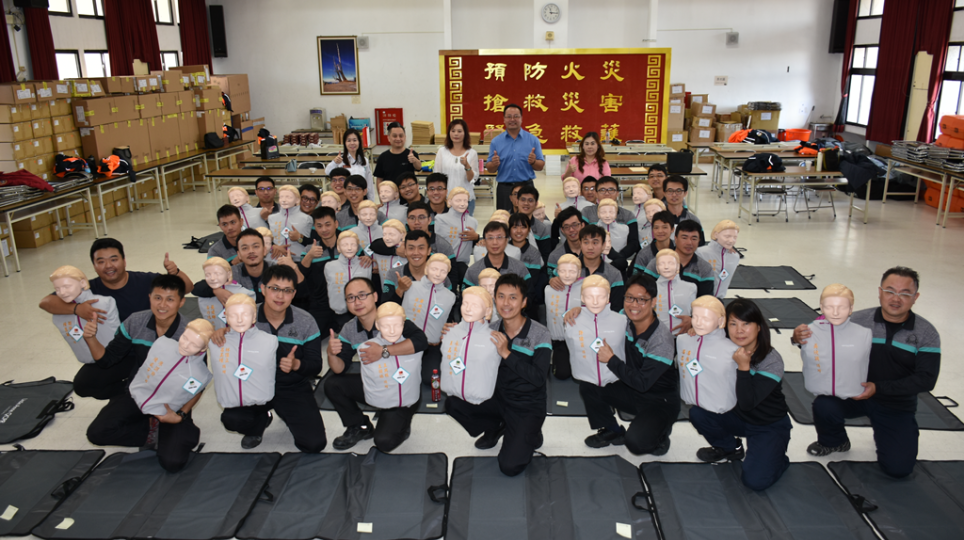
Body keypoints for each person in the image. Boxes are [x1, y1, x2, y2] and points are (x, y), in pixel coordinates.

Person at [793, 267, 940, 479]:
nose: (896, 298)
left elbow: (926, 379)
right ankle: (835, 441)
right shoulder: (857, 320)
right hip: (853, 393)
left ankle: (897, 433)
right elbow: (822, 339)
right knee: (824, 405)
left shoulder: (926, 333)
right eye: (890, 291)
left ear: (915, 297)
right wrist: (798, 338)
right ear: (880, 292)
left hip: (896, 404)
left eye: (905, 293)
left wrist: (878, 388)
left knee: (899, 469)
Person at [84, 298, 211, 473]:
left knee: (173, 462)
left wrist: (180, 415)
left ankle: (178, 432)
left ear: (203, 349)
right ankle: (149, 431)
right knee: (97, 433)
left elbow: (195, 392)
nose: (185, 345)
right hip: (138, 394)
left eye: (194, 344)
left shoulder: (199, 373)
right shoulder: (162, 344)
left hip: (169, 409)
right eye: (184, 338)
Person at [213, 265, 327, 452]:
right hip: (253, 385)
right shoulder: (245, 315)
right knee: (233, 419)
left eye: (287, 290)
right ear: (263, 289)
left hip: (291, 387)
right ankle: (260, 421)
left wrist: (297, 364)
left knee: (314, 444)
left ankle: (286, 412)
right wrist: (220, 333)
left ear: (294, 294)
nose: (280, 296)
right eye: (274, 288)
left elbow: (316, 365)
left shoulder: (306, 321)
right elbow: (229, 346)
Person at [446, 274, 551, 476]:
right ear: (494, 299)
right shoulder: (489, 329)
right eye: (501, 296)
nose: (506, 303)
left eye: (513, 297)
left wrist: (507, 354)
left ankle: (530, 431)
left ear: (524, 302)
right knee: (453, 402)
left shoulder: (540, 333)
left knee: (509, 467)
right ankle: (497, 426)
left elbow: (538, 378)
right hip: (498, 398)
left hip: (527, 406)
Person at [689, 298, 792, 491]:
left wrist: (744, 368)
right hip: (736, 416)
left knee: (755, 482)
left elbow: (748, 402)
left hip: (767, 425)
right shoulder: (724, 347)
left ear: (759, 327)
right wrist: (697, 333)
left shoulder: (771, 361)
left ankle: (778, 458)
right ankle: (731, 448)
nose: (739, 331)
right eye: (733, 324)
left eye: (746, 324)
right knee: (698, 413)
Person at [569, 274, 678, 454]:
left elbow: (642, 383)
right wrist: (579, 310)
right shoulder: (624, 319)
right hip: (631, 389)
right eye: (629, 298)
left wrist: (611, 359)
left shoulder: (661, 340)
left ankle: (660, 433)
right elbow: (600, 314)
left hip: (659, 400)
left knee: (636, 444)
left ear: (654, 302)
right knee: (589, 385)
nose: (634, 305)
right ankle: (613, 430)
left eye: (642, 300)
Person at [326, 277, 429, 450]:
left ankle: (401, 422)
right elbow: (339, 368)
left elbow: (421, 341)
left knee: (384, 442)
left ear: (375, 296)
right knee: (332, 384)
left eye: (362, 295)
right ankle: (360, 426)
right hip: (376, 384)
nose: (357, 302)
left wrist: (383, 351)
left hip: (400, 388)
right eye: (351, 298)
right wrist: (331, 353)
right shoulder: (349, 329)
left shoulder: (392, 318)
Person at [39, 238, 193, 326]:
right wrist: (76, 308)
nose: (108, 266)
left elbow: (187, 288)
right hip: (113, 349)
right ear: (94, 265)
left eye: (114, 260)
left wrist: (175, 272)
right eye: (101, 262)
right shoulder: (87, 289)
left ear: (124, 261)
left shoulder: (146, 280)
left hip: (148, 343)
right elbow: (46, 302)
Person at [485, 104, 545, 211]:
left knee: (527, 218)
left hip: (526, 187)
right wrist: (494, 164)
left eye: (516, 116)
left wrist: (533, 162)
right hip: (505, 189)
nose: (512, 119)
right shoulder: (496, 141)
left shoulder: (533, 140)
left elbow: (540, 166)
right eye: (509, 116)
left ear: (521, 118)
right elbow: (490, 168)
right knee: (504, 218)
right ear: (504, 119)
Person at [643, 220, 714, 297]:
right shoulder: (658, 262)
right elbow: (645, 291)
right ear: (675, 239)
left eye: (694, 239)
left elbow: (705, 299)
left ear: (699, 241)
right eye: (684, 238)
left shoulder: (705, 268)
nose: (689, 242)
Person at [381, 230, 452, 304]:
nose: (416, 253)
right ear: (405, 251)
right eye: (411, 248)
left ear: (429, 251)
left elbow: (449, 306)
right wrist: (400, 290)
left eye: (421, 248)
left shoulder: (440, 276)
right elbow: (384, 307)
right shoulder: (394, 274)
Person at [300, 206, 341, 335]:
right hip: (319, 306)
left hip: (345, 304)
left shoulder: (349, 246)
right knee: (313, 338)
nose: (324, 229)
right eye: (319, 226)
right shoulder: (309, 249)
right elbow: (301, 276)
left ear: (336, 224)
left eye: (328, 224)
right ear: (315, 228)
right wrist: (309, 256)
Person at [463, 222, 531, 288]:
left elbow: (529, 294)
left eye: (499, 237)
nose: (495, 242)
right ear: (484, 241)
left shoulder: (519, 269)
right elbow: (466, 294)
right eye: (490, 238)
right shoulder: (472, 271)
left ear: (506, 240)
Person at [434, 118, 480, 215]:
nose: (456, 134)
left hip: (466, 200)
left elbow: (472, 179)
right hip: (446, 200)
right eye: (453, 131)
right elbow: (436, 176)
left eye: (459, 131)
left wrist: (466, 165)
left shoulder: (472, 153)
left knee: (465, 224)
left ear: (465, 133)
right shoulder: (442, 151)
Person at [576, 225, 624, 312]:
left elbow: (616, 308)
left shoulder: (614, 274)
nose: (590, 247)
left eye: (595, 243)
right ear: (580, 244)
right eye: (586, 242)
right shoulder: (568, 270)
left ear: (603, 245)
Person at [326, 128, 374, 201]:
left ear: (359, 142)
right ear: (345, 143)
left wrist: (371, 200)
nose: (352, 143)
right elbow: (327, 172)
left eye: (354, 140)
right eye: (349, 140)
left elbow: (369, 182)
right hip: (346, 197)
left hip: (361, 197)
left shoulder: (365, 161)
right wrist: (335, 163)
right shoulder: (340, 160)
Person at [374, 122, 420, 187]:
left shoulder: (411, 154)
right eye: (394, 136)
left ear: (405, 137)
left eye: (401, 136)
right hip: (390, 192)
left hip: (408, 191)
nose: (398, 139)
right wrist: (381, 192)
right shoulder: (383, 157)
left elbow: (419, 167)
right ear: (388, 138)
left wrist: (414, 160)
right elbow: (379, 178)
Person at [514, 185, 553, 260]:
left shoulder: (542, 229)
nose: (526, 203)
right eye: (523, 199)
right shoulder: (507, 223)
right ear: (517, 202)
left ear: (536, 204)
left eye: (530, 200)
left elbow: (545, 256)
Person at [662, 175, 704, 243]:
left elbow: (700, 245)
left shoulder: (693, 220)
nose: (674, 195)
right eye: (670, 191)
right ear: (664, 193)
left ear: (685, 193)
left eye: (678, 191)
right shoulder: (659, 218)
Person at [547, 207, 583, 277]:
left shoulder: (592, 250)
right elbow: (552, 279)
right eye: (566, 227)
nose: (571, 230)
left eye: (575, 225)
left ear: (582, 225)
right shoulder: (555, 256)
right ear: (562, 230)